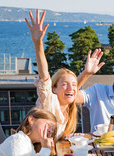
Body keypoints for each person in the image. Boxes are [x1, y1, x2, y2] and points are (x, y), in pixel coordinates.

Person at [26, 9, 105, 139]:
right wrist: (38, 43)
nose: (71, 88)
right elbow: (44, 77)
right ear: (54, 89)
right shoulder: (48, 103)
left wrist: (86, 73)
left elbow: (73, 90)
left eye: (73, 85)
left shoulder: (67, 108)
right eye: (64, 84)